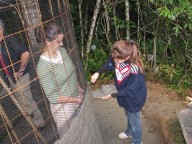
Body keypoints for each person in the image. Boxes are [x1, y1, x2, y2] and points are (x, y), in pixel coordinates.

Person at [91, 39, 147, 144]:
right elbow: (109, 64)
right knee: (128, 114)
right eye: (114, 57)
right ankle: (129, 132)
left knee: (135, 121)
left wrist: (112, 94)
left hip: (134, 98)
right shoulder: (117, 57)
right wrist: (98, 73)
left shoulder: (135, 70)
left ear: (126, 57)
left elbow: (130, 91)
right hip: (124, 95)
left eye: (117, 59)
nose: (114, 61)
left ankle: (137, 141)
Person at [36, 23, 83, 135]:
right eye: (58, 41)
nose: (61, 44)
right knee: (69, 136)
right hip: (63, 109)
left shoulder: (62, 51)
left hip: (76, 96)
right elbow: (53, 97)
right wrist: (75, 100)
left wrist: (78, 87)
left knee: (80, 131)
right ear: (48, 42)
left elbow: (71, 72)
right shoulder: (43, 66)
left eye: (62, 40)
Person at [0, 19, 45, 129]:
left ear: (0, 29)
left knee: (27, 101)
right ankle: (32, 120)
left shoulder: (9, 39)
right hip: (10, 77)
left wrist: (20, 70)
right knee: (21, 101)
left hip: (20, 75)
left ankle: (40, 124)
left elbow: (25, 53)